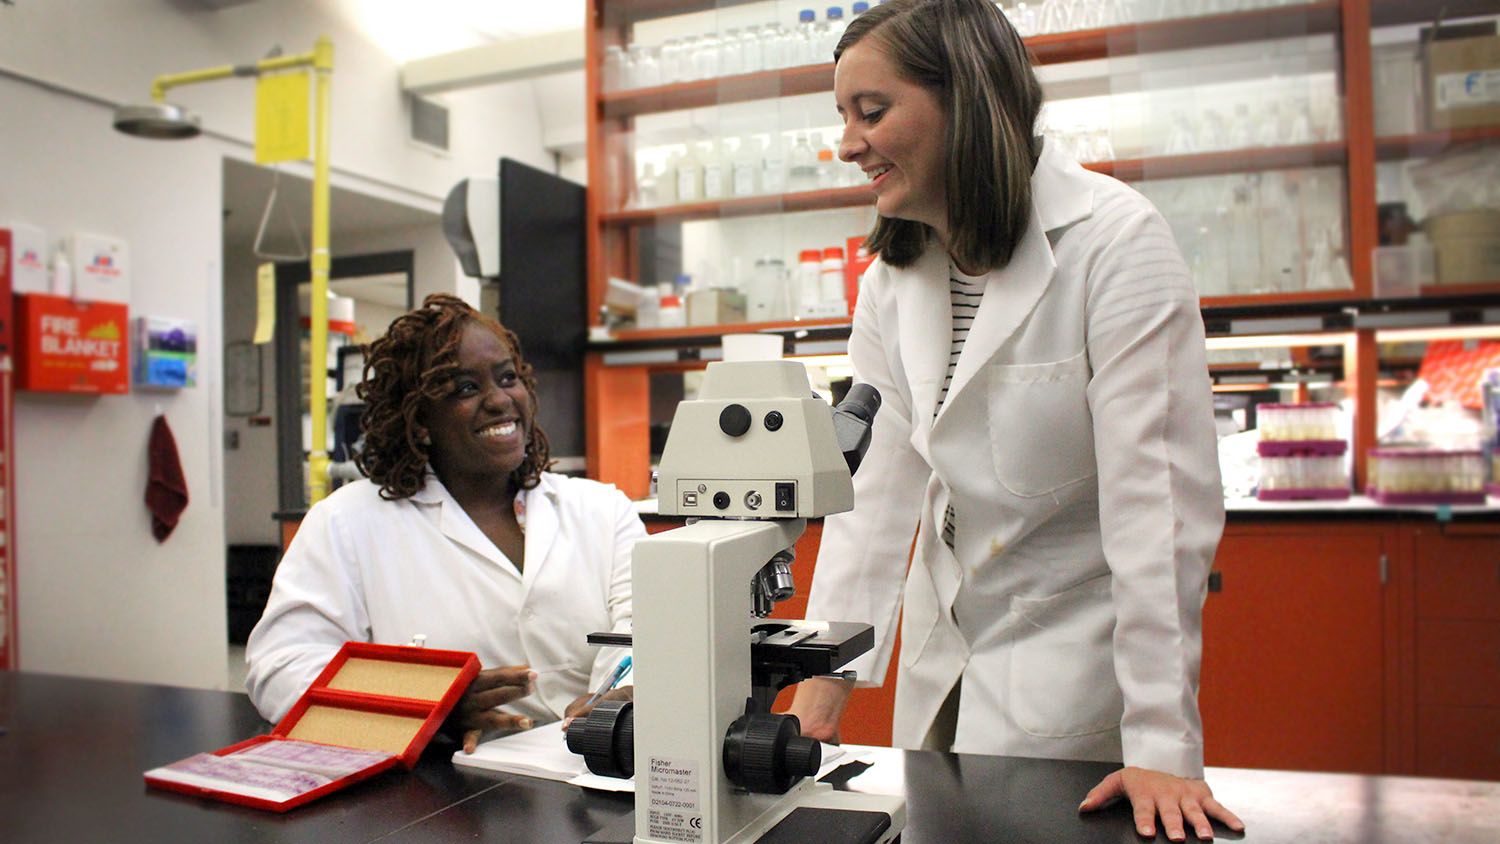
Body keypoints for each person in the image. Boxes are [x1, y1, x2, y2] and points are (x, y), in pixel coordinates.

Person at [785, 1, 1244, 840]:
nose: (847, 143)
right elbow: (880, 493)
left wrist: (1163, 744)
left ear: (965, 95)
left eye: (871, 110)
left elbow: (1159, 511)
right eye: (841, 117)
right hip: (943, 661)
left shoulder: (1113, 243)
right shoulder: (895, 277)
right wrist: (825, 683)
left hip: (1074, 668)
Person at [246, 294, 642, 753]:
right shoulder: (347, 524)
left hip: (597, 771)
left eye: (507, 378)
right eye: (465, 389)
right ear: (419, 421)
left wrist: (625, 697)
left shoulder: (602, 510)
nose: (499, 400)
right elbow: (279, 668)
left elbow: (652, 629)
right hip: (443, 792)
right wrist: (427, 705)